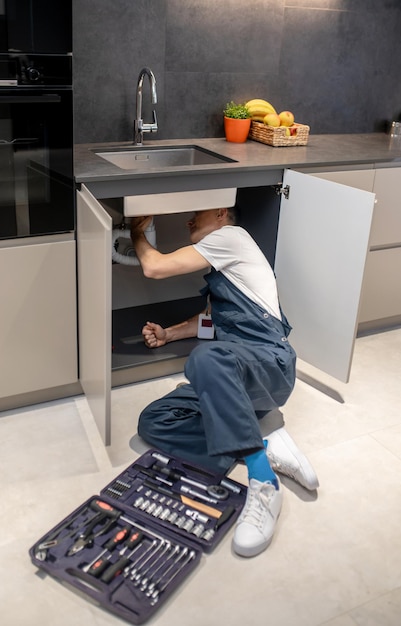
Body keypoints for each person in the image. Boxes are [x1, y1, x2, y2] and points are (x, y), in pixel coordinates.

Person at [130, 206, 318, 558]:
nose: (188, 222)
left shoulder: (231, 237)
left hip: (269, 367)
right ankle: (261, 444)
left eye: (196, 215)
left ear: (220, 213)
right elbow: (211, 323)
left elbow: (153, 266)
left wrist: (136, 232)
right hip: (235, 377)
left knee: (205, 358)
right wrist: (168, 334)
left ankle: (263, 484)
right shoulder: (228, 276)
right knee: (153, 421)